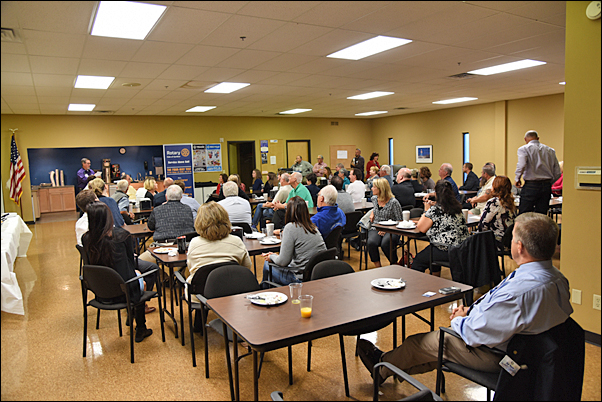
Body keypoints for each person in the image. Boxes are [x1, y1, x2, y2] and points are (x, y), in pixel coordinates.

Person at [357, 213, 571, 386]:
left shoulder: (519, 293)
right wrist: (472, 311)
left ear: (520, 247)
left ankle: (382, 364)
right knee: (431, 349)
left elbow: (474, 334)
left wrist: (460, 319)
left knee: (420, 343)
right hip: (527, 349)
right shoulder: (558, 279)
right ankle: (391, 366)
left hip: (499, 355)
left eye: (513, 237)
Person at [82, 202, 154, 343]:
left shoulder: (86, 238)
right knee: (141, 279)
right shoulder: (122, 235)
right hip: (125, 290)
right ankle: (140, 327)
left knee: (136, 278)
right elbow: (131, 263)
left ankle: (133, 313)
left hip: (100, 291)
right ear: (109, 218)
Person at [186, 201, 252, 330]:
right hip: (233, 292)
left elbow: (191, 268)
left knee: (195, 280)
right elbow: (246, 269)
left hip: (202, 294)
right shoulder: (236, 241)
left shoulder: (194, 243)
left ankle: (199, 324)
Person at [261, 196, 326, 287]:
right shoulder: (313, 227)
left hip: (300, 279)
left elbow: (283, 262)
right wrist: (276, 257)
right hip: (316, 276)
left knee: (267, 264)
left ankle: (264, 292)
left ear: (289, 212)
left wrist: (272, 256)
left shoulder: (290, 227)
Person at [412, 180, 469, 276]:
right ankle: (436, 278)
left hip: (447, 249)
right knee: (432, 249)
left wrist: (426, 210)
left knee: (418, 261)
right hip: (462, 248)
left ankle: (417, 286)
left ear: (436, 193)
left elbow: (421, 228)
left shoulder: (435, 210)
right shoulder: (457, 207)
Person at [515, 130, 562, 215]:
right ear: (538, 138)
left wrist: (517, 178)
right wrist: (550, 182)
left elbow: (521, 165)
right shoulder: (550, 150)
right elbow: (557, 172)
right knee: (541, 215)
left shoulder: (524, 149)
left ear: (525, 139)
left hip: (531, 185)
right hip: (546, 186)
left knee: (524, 214)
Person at [367, 178, 403, 267]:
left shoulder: (393, 202)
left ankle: (394, 264)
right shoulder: (374, 199)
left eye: (374, 187)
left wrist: (387, 229)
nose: (372, 188)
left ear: (381, 189)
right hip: (376, 226)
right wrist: (372, 212)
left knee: (386, 243)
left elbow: (399, 220)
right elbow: (376, 208)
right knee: (371, 242)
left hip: (392, 229)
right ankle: (378, 267)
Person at [478, 176, 517, 248]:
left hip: (495, 241)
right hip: (508, 240)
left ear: (495, 187)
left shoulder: (494, 202)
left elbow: (483, 225)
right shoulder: (511, 202)